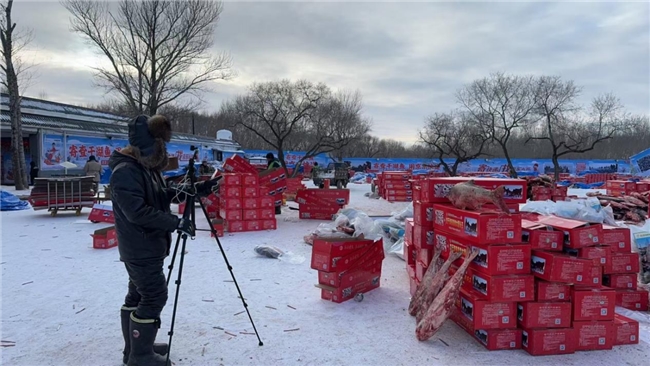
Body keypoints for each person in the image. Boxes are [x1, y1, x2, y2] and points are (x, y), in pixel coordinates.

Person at [108, 115, 220, 366]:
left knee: (137, 295)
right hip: (139, 246)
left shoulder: (144, 167)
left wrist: (198, 189)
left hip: (146, 245)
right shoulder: (126, 171)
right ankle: (141, 355)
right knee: (155, 296)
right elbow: (136, 212)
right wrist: (176, 222)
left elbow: (161, 194)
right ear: (145, 149)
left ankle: (135, 348)